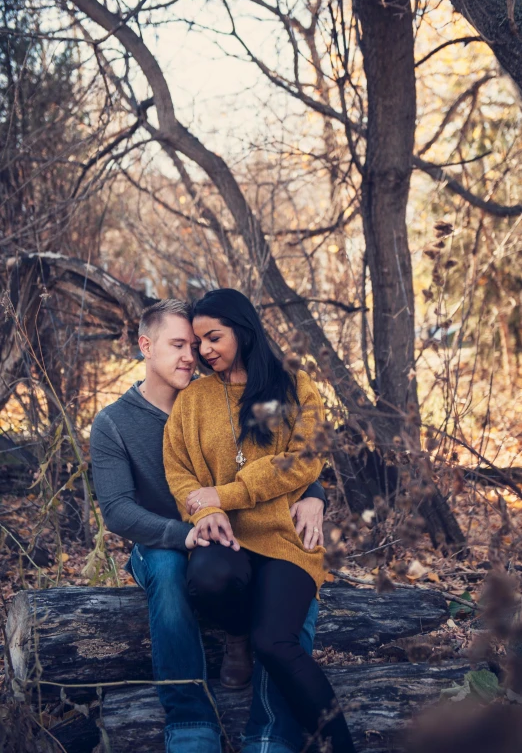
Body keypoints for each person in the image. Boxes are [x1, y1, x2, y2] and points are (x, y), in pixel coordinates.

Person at [90, 298, 327, 753]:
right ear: (145, 346)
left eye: (195, 345)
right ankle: (189, 720)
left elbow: (284, 461)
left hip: (237, 534)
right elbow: (118, 510)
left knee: (286, 570)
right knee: (166, 567)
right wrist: (186, 533)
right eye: (179, 344)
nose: (191, 355)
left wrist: (315, 496)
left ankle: (270, 732)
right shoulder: (114, 424)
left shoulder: (221, 391)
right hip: (164, 538)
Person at [164, 289, 357, 753]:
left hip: (285, 536)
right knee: (207, 577)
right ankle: (235, 634)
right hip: (224, 537)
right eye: (198, 342)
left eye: (214, 337)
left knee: (275, 643)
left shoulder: (295, 385)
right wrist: (208, 511)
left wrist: (228, 493)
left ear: (243, 330)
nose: (205, 350)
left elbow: (306, 459)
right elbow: (179, 469)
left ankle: (343, 745)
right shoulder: (193, 399)